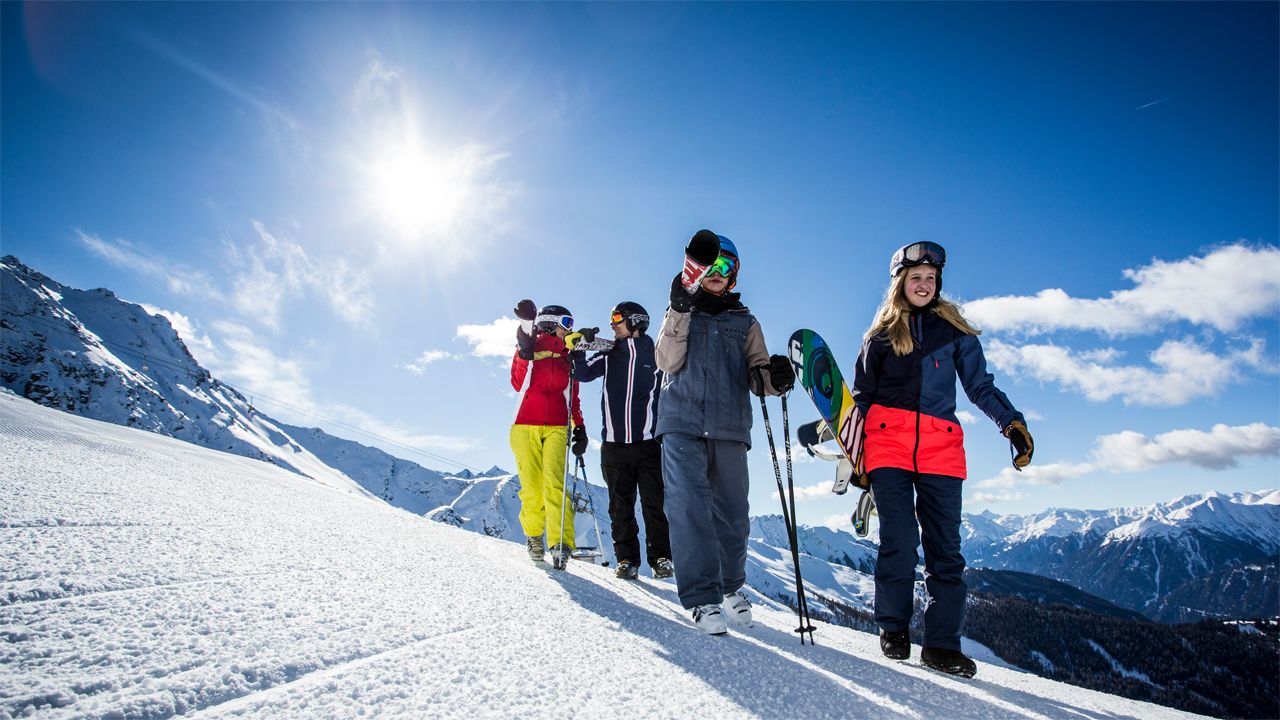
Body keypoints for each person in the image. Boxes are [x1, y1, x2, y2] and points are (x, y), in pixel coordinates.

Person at [851, 241, 1034, 677]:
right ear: (900, 283)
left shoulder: (955, 333)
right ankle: (893, 629)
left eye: (931, 279)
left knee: (946, 554)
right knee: (899, 537)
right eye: (916, 278)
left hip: (941, 448)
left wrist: (1011, 423)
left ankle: (941, 646)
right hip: (886, 444)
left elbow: (980, 387)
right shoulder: (878, 337)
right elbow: (860, 399)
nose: (925, 284)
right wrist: (856, 458)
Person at [654, 230, 795, 635]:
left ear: (734, 275)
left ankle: (731, 587)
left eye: (725, 267)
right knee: (688, 508)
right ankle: (702, 599)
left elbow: (759, 376)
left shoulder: (746, 323)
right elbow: (666, 360)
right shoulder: (680, 312)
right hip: (680, 423)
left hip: (730, 427)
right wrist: (679, 308)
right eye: (711, 266)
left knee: (733, 514)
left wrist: (777, 377)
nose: (717, 273)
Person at [569, 302, 673, 581]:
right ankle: (627, 560)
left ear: (636, 322)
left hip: (648, 444)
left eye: (617, 318)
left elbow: (671, 390)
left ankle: (661, 558)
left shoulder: (657, 354)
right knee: (619, 507)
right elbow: (582, 374)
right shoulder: (609, 353)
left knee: (654, 504)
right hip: (613, 445)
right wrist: (580, 347)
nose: (613, 324)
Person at [510, 300, 589, 568]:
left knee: (555, 484)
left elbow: (573, 397)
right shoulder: (530, 347)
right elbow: (518, 383)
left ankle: (560, 543)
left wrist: (579, 427)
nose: (570, 329)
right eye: (567, 324)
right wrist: (524, 352)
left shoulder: (570, 357)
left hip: (557, 426)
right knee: (532, 488)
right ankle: (534, 536)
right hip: (524, 425)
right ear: (551, 324)